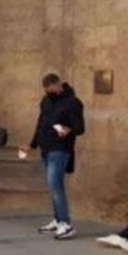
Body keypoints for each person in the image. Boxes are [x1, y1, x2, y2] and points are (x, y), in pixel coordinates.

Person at [20, 73, 85, 240]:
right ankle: (57, 220)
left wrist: (68, 130)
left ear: (58, 85)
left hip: (61, 148)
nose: (49, 91)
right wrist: (32, 144)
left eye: (51, 88)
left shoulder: (72, 102)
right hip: (46, 148)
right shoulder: (46, 101)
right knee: (54, 186)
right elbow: (40, 123)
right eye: (46, 89)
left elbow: (80, 127)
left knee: (54, 184)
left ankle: (66, 224)